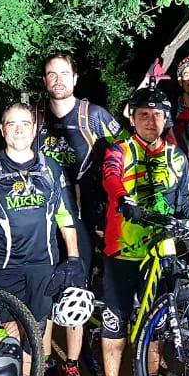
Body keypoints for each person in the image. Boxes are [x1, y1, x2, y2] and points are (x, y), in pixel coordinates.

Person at [0, 103, 84, 376]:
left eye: (24, 123)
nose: (19, 129)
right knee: (8, 333)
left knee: (36, 330)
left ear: (35, 130)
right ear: (2, 130)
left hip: (43, 264)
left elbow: (65, 215)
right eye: (12, 123)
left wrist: (73, 257)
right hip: (4, 266)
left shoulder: (50, 167)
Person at [97, 86, 189, 376]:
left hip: (161, 250)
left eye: (157, 115)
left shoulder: (176, 157)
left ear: (166, 119)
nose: (151, 121)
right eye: (143, 115)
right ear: (132, 118)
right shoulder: (119, 150)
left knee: (158, 319)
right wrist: (124, 199)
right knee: (115, 318)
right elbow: (111, 177)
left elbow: (185, 199)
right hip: (123, 248)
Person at [35, 52, 125, 275]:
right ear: (44, 80)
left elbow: (126, 149)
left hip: (85, 206)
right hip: (43, 206)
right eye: (52, 74)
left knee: (84, 268)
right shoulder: (34, 117)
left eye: (64, 74)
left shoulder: (93, 115)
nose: (58, 80)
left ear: (75, 79)